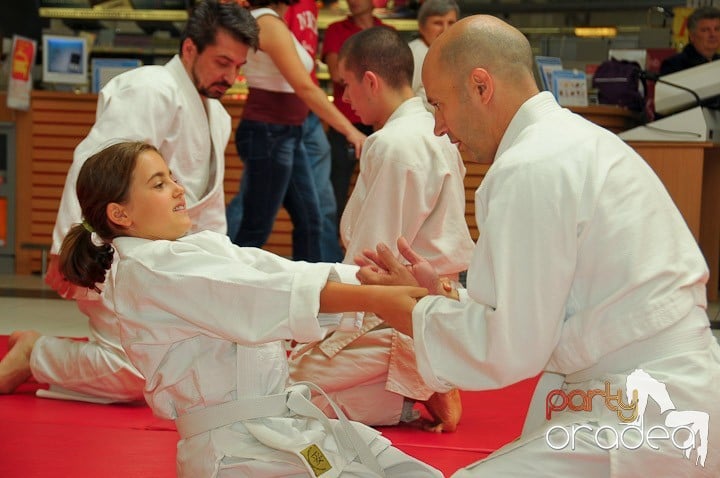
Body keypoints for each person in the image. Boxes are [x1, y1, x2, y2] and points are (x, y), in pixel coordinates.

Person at [355, 15, 720, 476]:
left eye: (440, 106)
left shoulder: (532, 164)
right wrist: (442, 296)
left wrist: (400, 310)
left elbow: (512, 345)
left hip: (647, 408)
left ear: (481, 87)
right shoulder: (570, 142)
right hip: (655, 391)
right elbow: (544, 304)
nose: (439, 128)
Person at [57, 140, 441, 478]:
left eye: (172, 177)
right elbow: (260, 292)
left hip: (274, 434)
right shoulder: (150, 271)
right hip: (237, 452)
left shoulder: (191, 251)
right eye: (159, 184)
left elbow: (274, 270)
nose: (178, 189)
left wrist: (375, 281)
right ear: (119, 214)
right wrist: (374, 298)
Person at [0, 0, 259, 400]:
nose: (231, 76)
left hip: (168, 268)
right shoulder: (152, 88)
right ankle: (37, 352)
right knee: (134, 374)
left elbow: (205, 208)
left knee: (195, 357)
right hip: (120, 254)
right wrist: (64, 247)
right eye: (223, 62)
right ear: (190, 48)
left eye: (238, 67)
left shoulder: (217, 116)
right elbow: (95, 165)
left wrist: (221, 267)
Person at [289, 26, 473, 432]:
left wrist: (317, 318)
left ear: (370, 81)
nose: (346, 99)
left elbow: (373, 258)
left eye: (347, 86)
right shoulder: (432, 129)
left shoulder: (395, 144)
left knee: (287, 383)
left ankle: (424, 374)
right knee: (329, 395)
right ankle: (407, 389)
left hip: (400, 306)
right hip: (435, 298)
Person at [229, 0, 366, 263]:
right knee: (256, 227)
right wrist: (350, 130)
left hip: (285, 132)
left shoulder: (271, 20)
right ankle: (223, 287)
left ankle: (311, 293)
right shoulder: (267, 22)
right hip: (269, 133)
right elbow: (304, 87)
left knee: (310, 220)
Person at [322, 0, 388, 225]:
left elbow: (391, 76)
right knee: (335, 193)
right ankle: (335, 252)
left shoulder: (386, 31)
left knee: (382, 191)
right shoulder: (336, 29)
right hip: (345, 123)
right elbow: (336, 73)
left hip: (381, 124)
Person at [408, 0, 459, 111]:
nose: (445, 29)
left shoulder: (453, 54)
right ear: (421, 26)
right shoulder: (414, 53)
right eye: (438, 23)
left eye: (451, 23)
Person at [660, 6, 720, 75]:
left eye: (717, 29)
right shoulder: (674, 66)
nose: (713, 34)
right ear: (692, 36)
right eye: (705, 30)